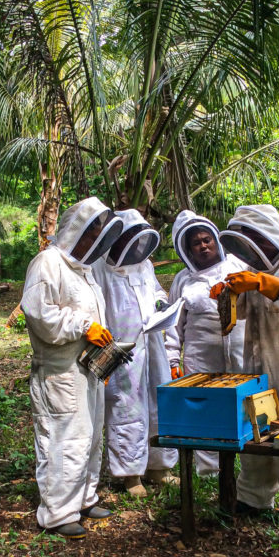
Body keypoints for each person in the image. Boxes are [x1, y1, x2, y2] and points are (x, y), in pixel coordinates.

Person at [210, 203, 279, 528]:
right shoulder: (254, 267)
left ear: (265, 233)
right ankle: (254, 498)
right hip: (257, 368)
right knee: (256, 434)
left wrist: (263, 282)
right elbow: (242, 311)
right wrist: (227, 293)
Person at [21, 197, 124, 539]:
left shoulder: (85, 270)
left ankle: (84, 498)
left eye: (100, 231)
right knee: (63, 438)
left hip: (87, 367)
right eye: (92, 228)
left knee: (91, 435)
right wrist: (82, 326)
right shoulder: (47, 263)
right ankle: (57, 513)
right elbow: (40, 315)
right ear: (76, 229)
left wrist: (104, 351)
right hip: (59, 371)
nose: (96, 236)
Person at [93, 209, 178, 496]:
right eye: (128, 236)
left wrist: (161, 305)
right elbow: (95, 308)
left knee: (157, 402)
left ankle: (159, 467)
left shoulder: (145, 265)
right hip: (119, 348)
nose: (134, 243)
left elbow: (156, 292)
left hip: (152, 343)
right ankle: (130, 475)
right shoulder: (99, 268)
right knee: (125, 407)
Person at [165, 210, 246, 475]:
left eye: (207, 239)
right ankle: (209, 470)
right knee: (205, 410)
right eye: (196, 243)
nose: (203, 245)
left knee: (243, 406)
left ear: (216, 240)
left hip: (241, 351)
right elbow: (173, 325)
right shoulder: (182, 280)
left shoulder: (238, 265)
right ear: (187, 250)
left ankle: (245, 467)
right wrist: (172, 360)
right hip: (201, 357)